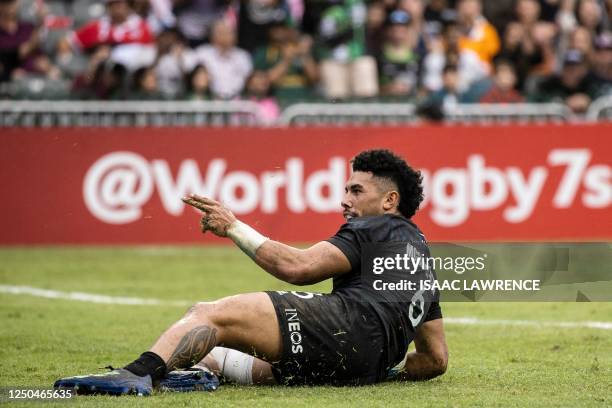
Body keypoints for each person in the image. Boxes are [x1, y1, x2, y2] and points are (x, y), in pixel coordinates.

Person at [54, 149, 448, 395]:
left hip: (345, 329)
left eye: (356, 191)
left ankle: (135, 375)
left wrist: (233, 227)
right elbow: (435, 359)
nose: (344, 200)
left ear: (389, 200)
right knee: (216, 354)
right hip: (364, 367)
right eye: (346, 189)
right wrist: (382, 368)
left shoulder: (375, 226)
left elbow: (297, 267)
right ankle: (196, 373)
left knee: (209, 314)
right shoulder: (423, 257)